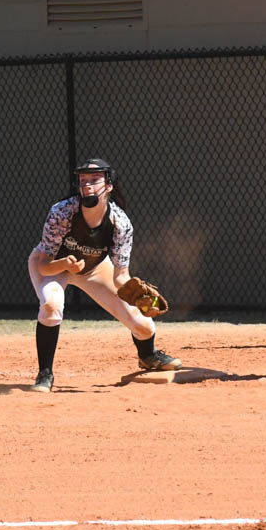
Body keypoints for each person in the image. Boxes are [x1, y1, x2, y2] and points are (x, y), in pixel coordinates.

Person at [27, 158, 182, 392]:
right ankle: (45, 374)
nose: (87, 185)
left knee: (143, 325)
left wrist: (135, 294)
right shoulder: (62, 212)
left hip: (95, 268)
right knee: (51, 303)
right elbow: (43, 266)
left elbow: (120, 276)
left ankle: (148, 355)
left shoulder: (120, 223)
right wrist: (63, 264)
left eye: (94, 180)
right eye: (83, 180)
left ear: (109, 185)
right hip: (54, 267)